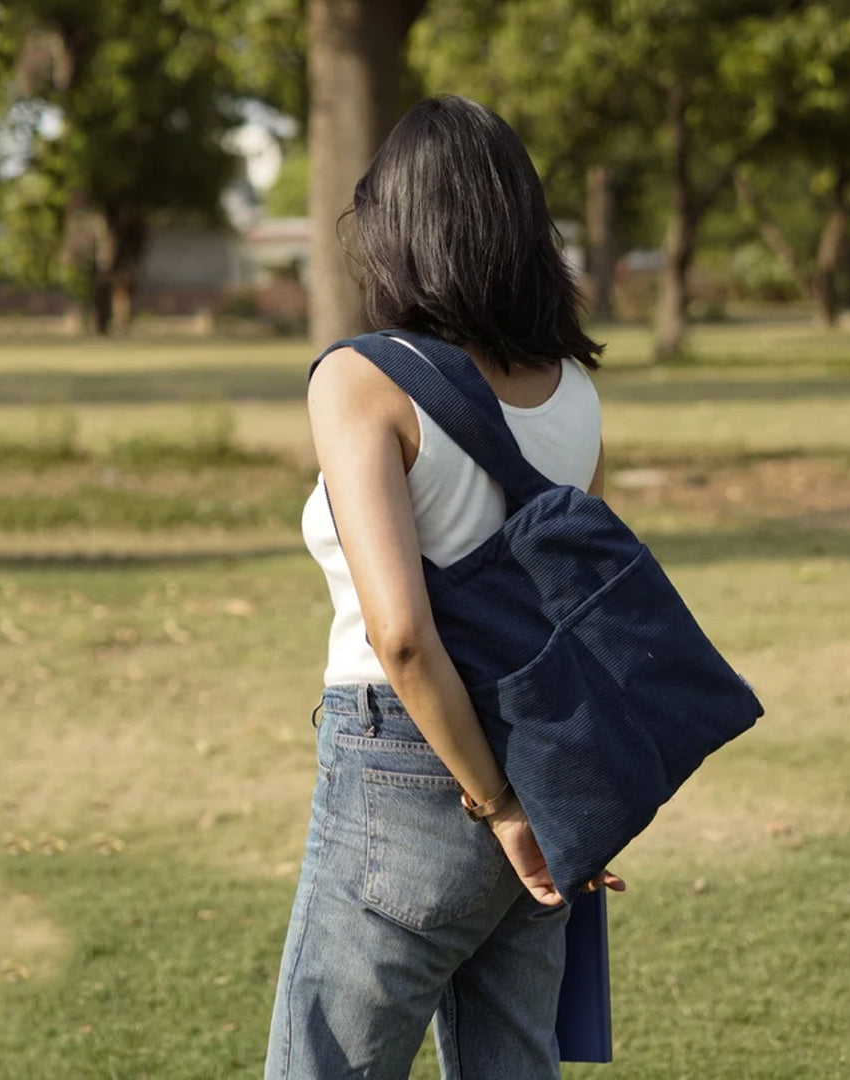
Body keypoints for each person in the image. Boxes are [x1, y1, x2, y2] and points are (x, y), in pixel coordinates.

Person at [264, 94, 624, 1080]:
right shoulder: (577, 394)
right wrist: (557, 804)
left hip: (412, 762)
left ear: (401, 230)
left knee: (325, 1065)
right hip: (539, 763)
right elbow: (568, 616)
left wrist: (495, 804)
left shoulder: (360, 379)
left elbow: (406, 637)